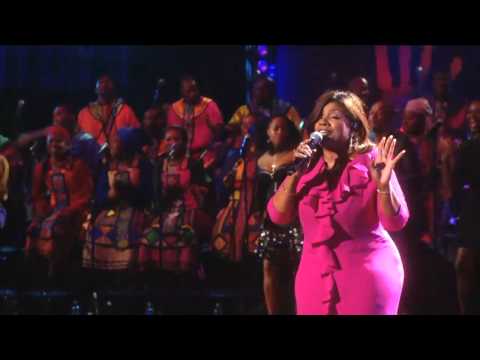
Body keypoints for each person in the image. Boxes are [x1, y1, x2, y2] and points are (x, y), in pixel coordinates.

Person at [267, 90, 409, 315]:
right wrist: (295, 173)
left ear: (353, 126)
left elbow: (395, 223)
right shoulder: (307, 166)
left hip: (367, 275)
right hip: (313, 277)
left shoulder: (373, 160)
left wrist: (383, 187)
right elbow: (278, 216)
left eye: (334, 116)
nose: (323, 121)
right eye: (320, 117)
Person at [139, 126, 211, 287]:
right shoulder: (159, 164)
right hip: (165, 211)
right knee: (148, 237)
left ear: (185, 143)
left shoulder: (194, 164)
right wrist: (165, 196)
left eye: (176, 139)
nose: (172, 143)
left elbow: (204, 189)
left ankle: (188, 276)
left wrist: (189, 189)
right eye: (168, 139)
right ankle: (157, 279)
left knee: (187, 235)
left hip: (189, 210)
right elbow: (156, 195)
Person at [82, 127, 152, 290]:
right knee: (96, 230)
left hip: (135, 207)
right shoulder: (107, 165)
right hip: (110, 207)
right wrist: (109, 196)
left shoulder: (142, 164)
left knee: (127, 230)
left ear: (127, 144)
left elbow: (147, 194)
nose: (110, 145)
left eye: (115, 142)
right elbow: (99, 193)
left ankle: (126, 279)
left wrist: (130, 190)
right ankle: (103, 280)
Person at [25, 126, 93, 288]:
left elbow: (84, 196)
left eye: (59, 141)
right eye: (51, 141)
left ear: (68, 144)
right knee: (33, 229)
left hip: (77, 212)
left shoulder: (78, 166)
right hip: (53, 211)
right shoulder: (42, 168)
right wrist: (42, 209)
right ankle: (37, 278)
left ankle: (57, 275)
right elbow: (37, 194)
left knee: (56, 228)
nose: (55, 145)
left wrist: (67, 212)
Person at [254, 115, 303, 314]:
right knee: (269, 267)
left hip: (293, 218)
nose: (280, 132)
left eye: (284, 129)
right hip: (268, 220)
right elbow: (256, 192)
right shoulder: (260, 159)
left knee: (296, 268)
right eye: (275, 128)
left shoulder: (297, 155)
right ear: (268, 132)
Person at [453, 99, 480, 314]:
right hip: (473, 209)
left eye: (477, 114)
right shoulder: (466, 147)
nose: (473, 118)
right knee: (463, 264)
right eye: (470, 114)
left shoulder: (467, 147)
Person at [167, 75, 224, 169]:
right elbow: (171, 134)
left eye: (195, 90)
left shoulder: (209, 105)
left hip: (205, 157)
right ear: (182, 92)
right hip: (180, 157)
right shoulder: (174, 109)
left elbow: (220, 132)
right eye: (189, 91)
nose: (193, 93)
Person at [77, 74, 140, 147]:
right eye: (101, 82)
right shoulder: (84, 113)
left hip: (119, 156)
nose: (104, 84)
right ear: (95, 89)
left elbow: (137, 135)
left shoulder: (125, 110)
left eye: (108, 81)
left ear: (114, 88)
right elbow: (79, 139)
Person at [228, 75, 302, 135]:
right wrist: (241, 126)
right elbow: (230, 129)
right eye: (257, 89)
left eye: (265, 89)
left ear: (272, 91)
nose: (260, 93)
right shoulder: (244, 110)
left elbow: (300, 128)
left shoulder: (286, 109)